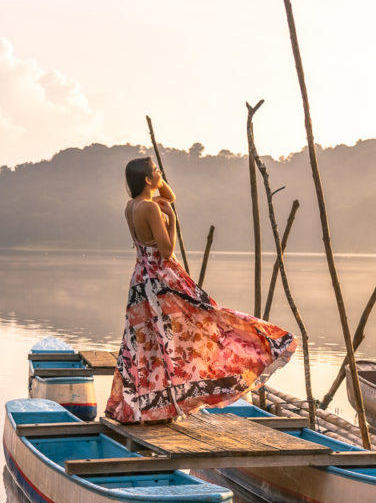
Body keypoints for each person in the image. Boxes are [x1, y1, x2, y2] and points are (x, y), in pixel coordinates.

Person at [105, 156, 297, 423]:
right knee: (201, 318)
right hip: (161, 276)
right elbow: (167, 249)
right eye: (157, 171)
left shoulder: (131, 205)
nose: (162, 174)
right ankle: (259, 346)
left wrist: (159, 186)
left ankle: (150, 407)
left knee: (149, 341)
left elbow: (169, 195)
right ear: (148, 179)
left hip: (141, 279)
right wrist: (171, 218)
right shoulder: (149, 208)